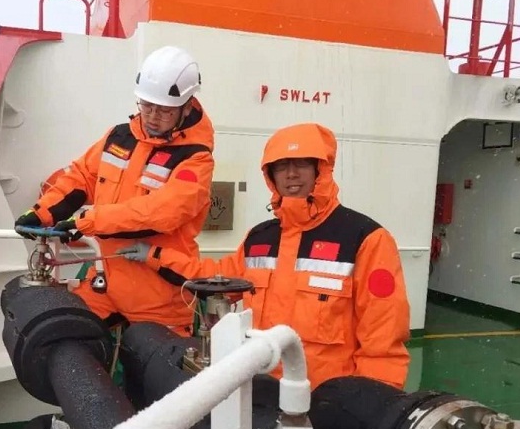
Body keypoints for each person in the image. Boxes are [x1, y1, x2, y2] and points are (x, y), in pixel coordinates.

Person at [119, 123, 411, 389]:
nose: (291, 174)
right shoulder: (260, 239)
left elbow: (382, 340)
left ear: (320, 169)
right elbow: (215, 278)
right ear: (271, 176)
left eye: (301, 164)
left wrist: (370, 406)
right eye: (281, 166)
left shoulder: (364, 239)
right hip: (260, 389)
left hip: (325, 400)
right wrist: (154, 255)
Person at [14, 45, 215, 336]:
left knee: (158, 363)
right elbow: (82, 176)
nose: (152, 116)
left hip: (158, 296)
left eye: (164, 111)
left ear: (186, 106)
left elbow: (164, 212)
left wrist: (88, 222)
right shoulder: (118, 137)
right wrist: (43, 212)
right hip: (105, 283)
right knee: (57, 335)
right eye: (147, 106)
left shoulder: (196, 158)